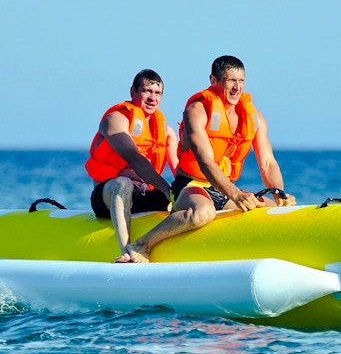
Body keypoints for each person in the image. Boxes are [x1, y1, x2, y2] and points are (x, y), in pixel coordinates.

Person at [116, 55, 296, 263]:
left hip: (223, 189)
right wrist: (236, 195)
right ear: (214, 81)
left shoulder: (254, 117)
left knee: (267, 208)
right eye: (231, 81)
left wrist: (279, 194)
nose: (237, 87)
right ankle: (141, 245)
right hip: (191, 185)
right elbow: (205, 161)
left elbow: (267, 163)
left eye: (241, 81)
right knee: (203, 212)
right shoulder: (197, 110)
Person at [85, 69, 178, 254]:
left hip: (146, 195)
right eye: (147, 91)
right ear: (133, 92)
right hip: (109, 196)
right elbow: (134, 158)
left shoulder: (166, 131)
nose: (152, 98)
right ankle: (127, 251)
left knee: (182, 191)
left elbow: (178, 168)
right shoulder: (115, 120)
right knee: (123, 183)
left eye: (157, 93)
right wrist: (166, 189)